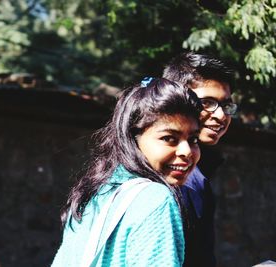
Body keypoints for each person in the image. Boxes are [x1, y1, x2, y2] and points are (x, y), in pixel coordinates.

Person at [52, 78, 202, 266]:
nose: (187, 151)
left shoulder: (94, 194)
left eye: (194, 140)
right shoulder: (155, 198)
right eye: (169, 138)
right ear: (133, 138)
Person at [163, 52, 238, 267]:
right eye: (207, 103)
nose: (221, 115)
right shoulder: (172, 174)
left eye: (226, 105)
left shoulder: (197, 172)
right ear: (174, 98)